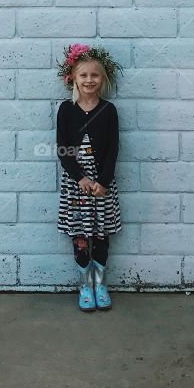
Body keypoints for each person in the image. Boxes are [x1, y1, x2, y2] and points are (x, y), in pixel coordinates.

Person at [54, 43, 122, 311]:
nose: (89, 80)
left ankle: (100, 284)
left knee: (102, 232)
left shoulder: (109, 110)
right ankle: (85, 287)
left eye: (94, 75)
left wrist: (103, 182)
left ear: (102, 79)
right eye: (83, 75)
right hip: (76, 185)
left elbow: (113, 149)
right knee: (81, 233)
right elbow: (63, 149)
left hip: (102, 185)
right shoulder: (66, 110)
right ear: (73, 78)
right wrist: (79, 178)